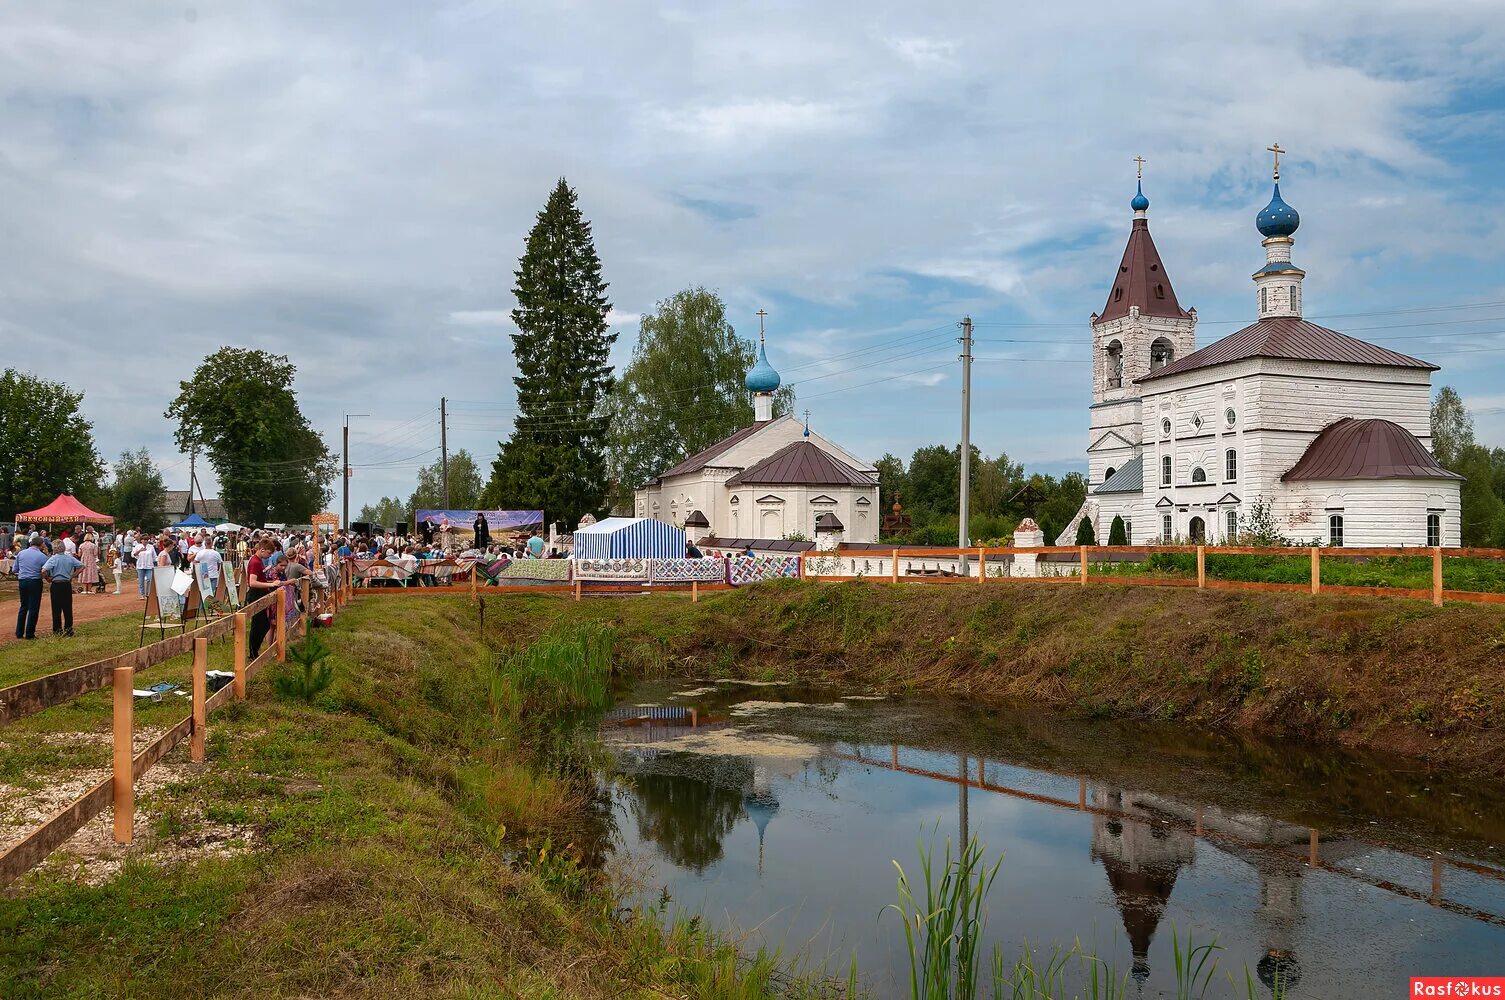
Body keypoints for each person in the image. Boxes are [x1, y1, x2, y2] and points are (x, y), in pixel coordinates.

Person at [245, 539, 286, 657]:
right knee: (259, 624)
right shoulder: (255, 562)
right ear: (261, 550)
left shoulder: (258, 561)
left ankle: (254, 651)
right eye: (268, 553)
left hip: (260, 593)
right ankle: (253, 651)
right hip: (255, 594)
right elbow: (252, 582)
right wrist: (270, 584)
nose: (269, 555)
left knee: (262, 624)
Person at [42, 540, 82, 636]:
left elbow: (43, 570)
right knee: (67, 607)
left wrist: (48, 578)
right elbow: (82, 566)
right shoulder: (69, 558)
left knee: (56, 608)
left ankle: (57, 630)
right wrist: (72, 576)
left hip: (56, 584)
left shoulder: (53, 559)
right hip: (66, 584)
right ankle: (69, 630)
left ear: (54, 548)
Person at [13, 536, 48, 640]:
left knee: (23, 606)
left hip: (23, 581)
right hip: (35, 581)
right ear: (41, 544)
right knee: (34, 607)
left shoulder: (21, 553)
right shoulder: (42, 556)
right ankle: (30, 633)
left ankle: (19, 632)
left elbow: (15, 569)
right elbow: (45, 571)